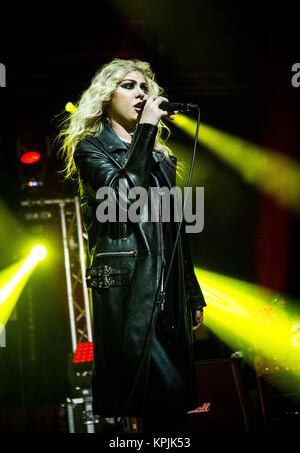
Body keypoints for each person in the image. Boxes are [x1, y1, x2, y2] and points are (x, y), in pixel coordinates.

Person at [58, 58, 206, 433]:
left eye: (144, 87)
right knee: (158, 391)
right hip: (128, 287)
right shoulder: (91, 150)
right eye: (128, 85)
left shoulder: (160, 158)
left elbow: (174, 229)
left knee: (170, 401)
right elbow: (124, 197)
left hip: (168, 284)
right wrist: (145, 131)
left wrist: (190, 291)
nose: (140, 93)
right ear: (107, 96)